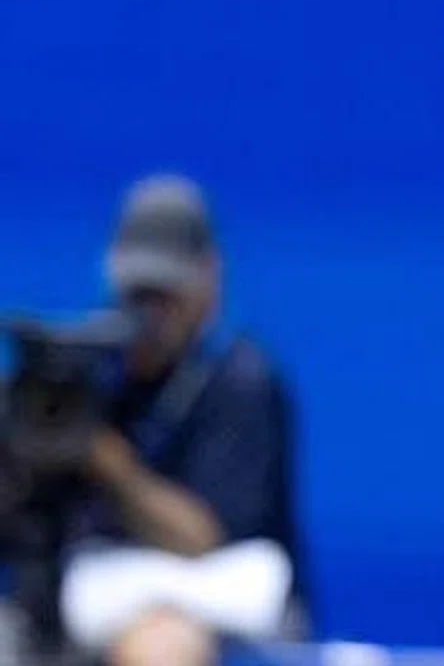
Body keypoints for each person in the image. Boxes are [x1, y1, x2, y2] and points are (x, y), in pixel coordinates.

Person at [32, 175, 305, 666]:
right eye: (138, 294)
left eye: (165, 295)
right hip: (87, 593)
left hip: (217, 602)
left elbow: (201, 540)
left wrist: (104, 459)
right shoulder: (89, 376)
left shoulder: (240, 380)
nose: (148, 314)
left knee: (159, 646)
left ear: (208, 282)